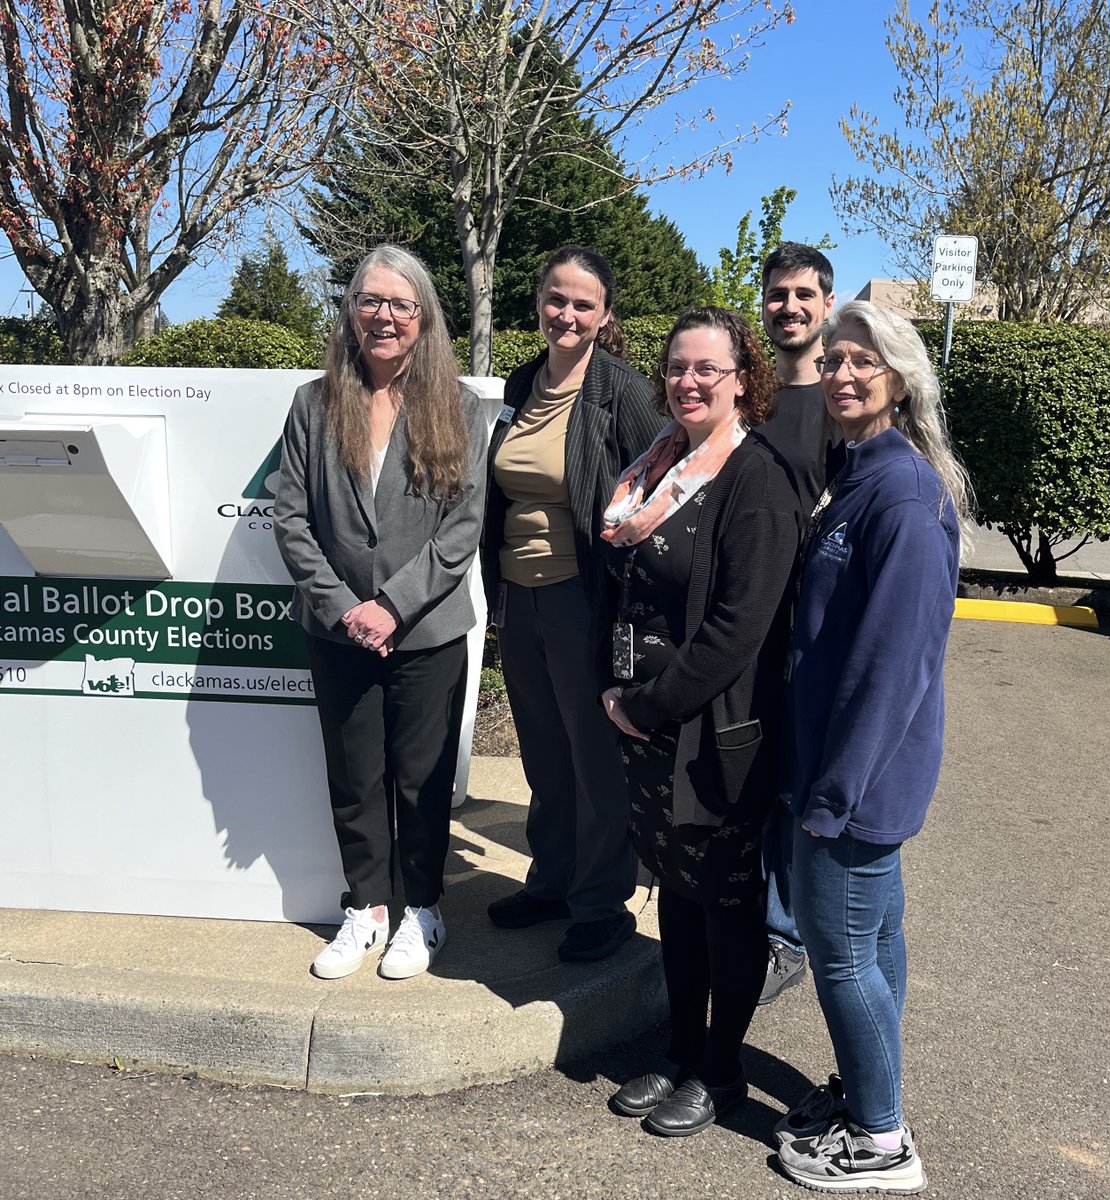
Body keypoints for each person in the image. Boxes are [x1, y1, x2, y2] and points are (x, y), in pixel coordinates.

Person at [773, 301, 971, 1194]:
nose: (845, 375)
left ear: (901, 377)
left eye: (865, 362)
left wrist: (834, 792)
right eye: (836, 360)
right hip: (838, 770)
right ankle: (867, 1092)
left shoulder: (903, 495)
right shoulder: (855, 476)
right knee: (876, 938)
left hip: (854, 781)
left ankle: (883, 1143)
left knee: (841, 949)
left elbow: (895, 663)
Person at [599, 307, 800, 1136]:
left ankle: (722, 1072)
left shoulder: (758, 479)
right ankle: (682, 1049)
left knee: (726, 905)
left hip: (713, 735)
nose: (687, 381)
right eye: (677, 367)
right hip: (648, 734)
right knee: (676, 897)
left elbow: (735, 631)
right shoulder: (658, 466)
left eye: (706, 370)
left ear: (742, 379)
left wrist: (644, 706)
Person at [274, 245, 487, 982]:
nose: (384, 316)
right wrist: (345, 610)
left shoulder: (457, 405)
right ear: (351, 310)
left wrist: (392, 606)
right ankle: (364, 908)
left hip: (425, 629)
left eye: (400, 304)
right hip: (337, 631)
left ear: (423, 317)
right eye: (370, 301)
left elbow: (463, 526)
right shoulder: (313, 402)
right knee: (354, 772)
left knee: (420, 778)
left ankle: (421, 910)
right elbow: (290, 516)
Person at [480, 245, 662, 963]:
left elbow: (670, 483)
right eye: (558, 298)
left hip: (584, 600)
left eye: (584, 303)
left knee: (593, 760)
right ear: (539, 301)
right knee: (544, 754)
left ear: (605, 314)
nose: (568, 313)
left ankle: (601, 905)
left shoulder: (622, 391)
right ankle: (551, 882)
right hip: (518, 601)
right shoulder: (521, 383)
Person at [755, 242, 836, 1006]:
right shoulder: (749, 396)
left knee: (790, 784)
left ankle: (786, 935)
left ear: (826, 305)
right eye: (778, 295)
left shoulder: (842, 405)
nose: (790, 307)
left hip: (806, 626)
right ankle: (754, 917)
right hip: (744, 620)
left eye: (803, 295)